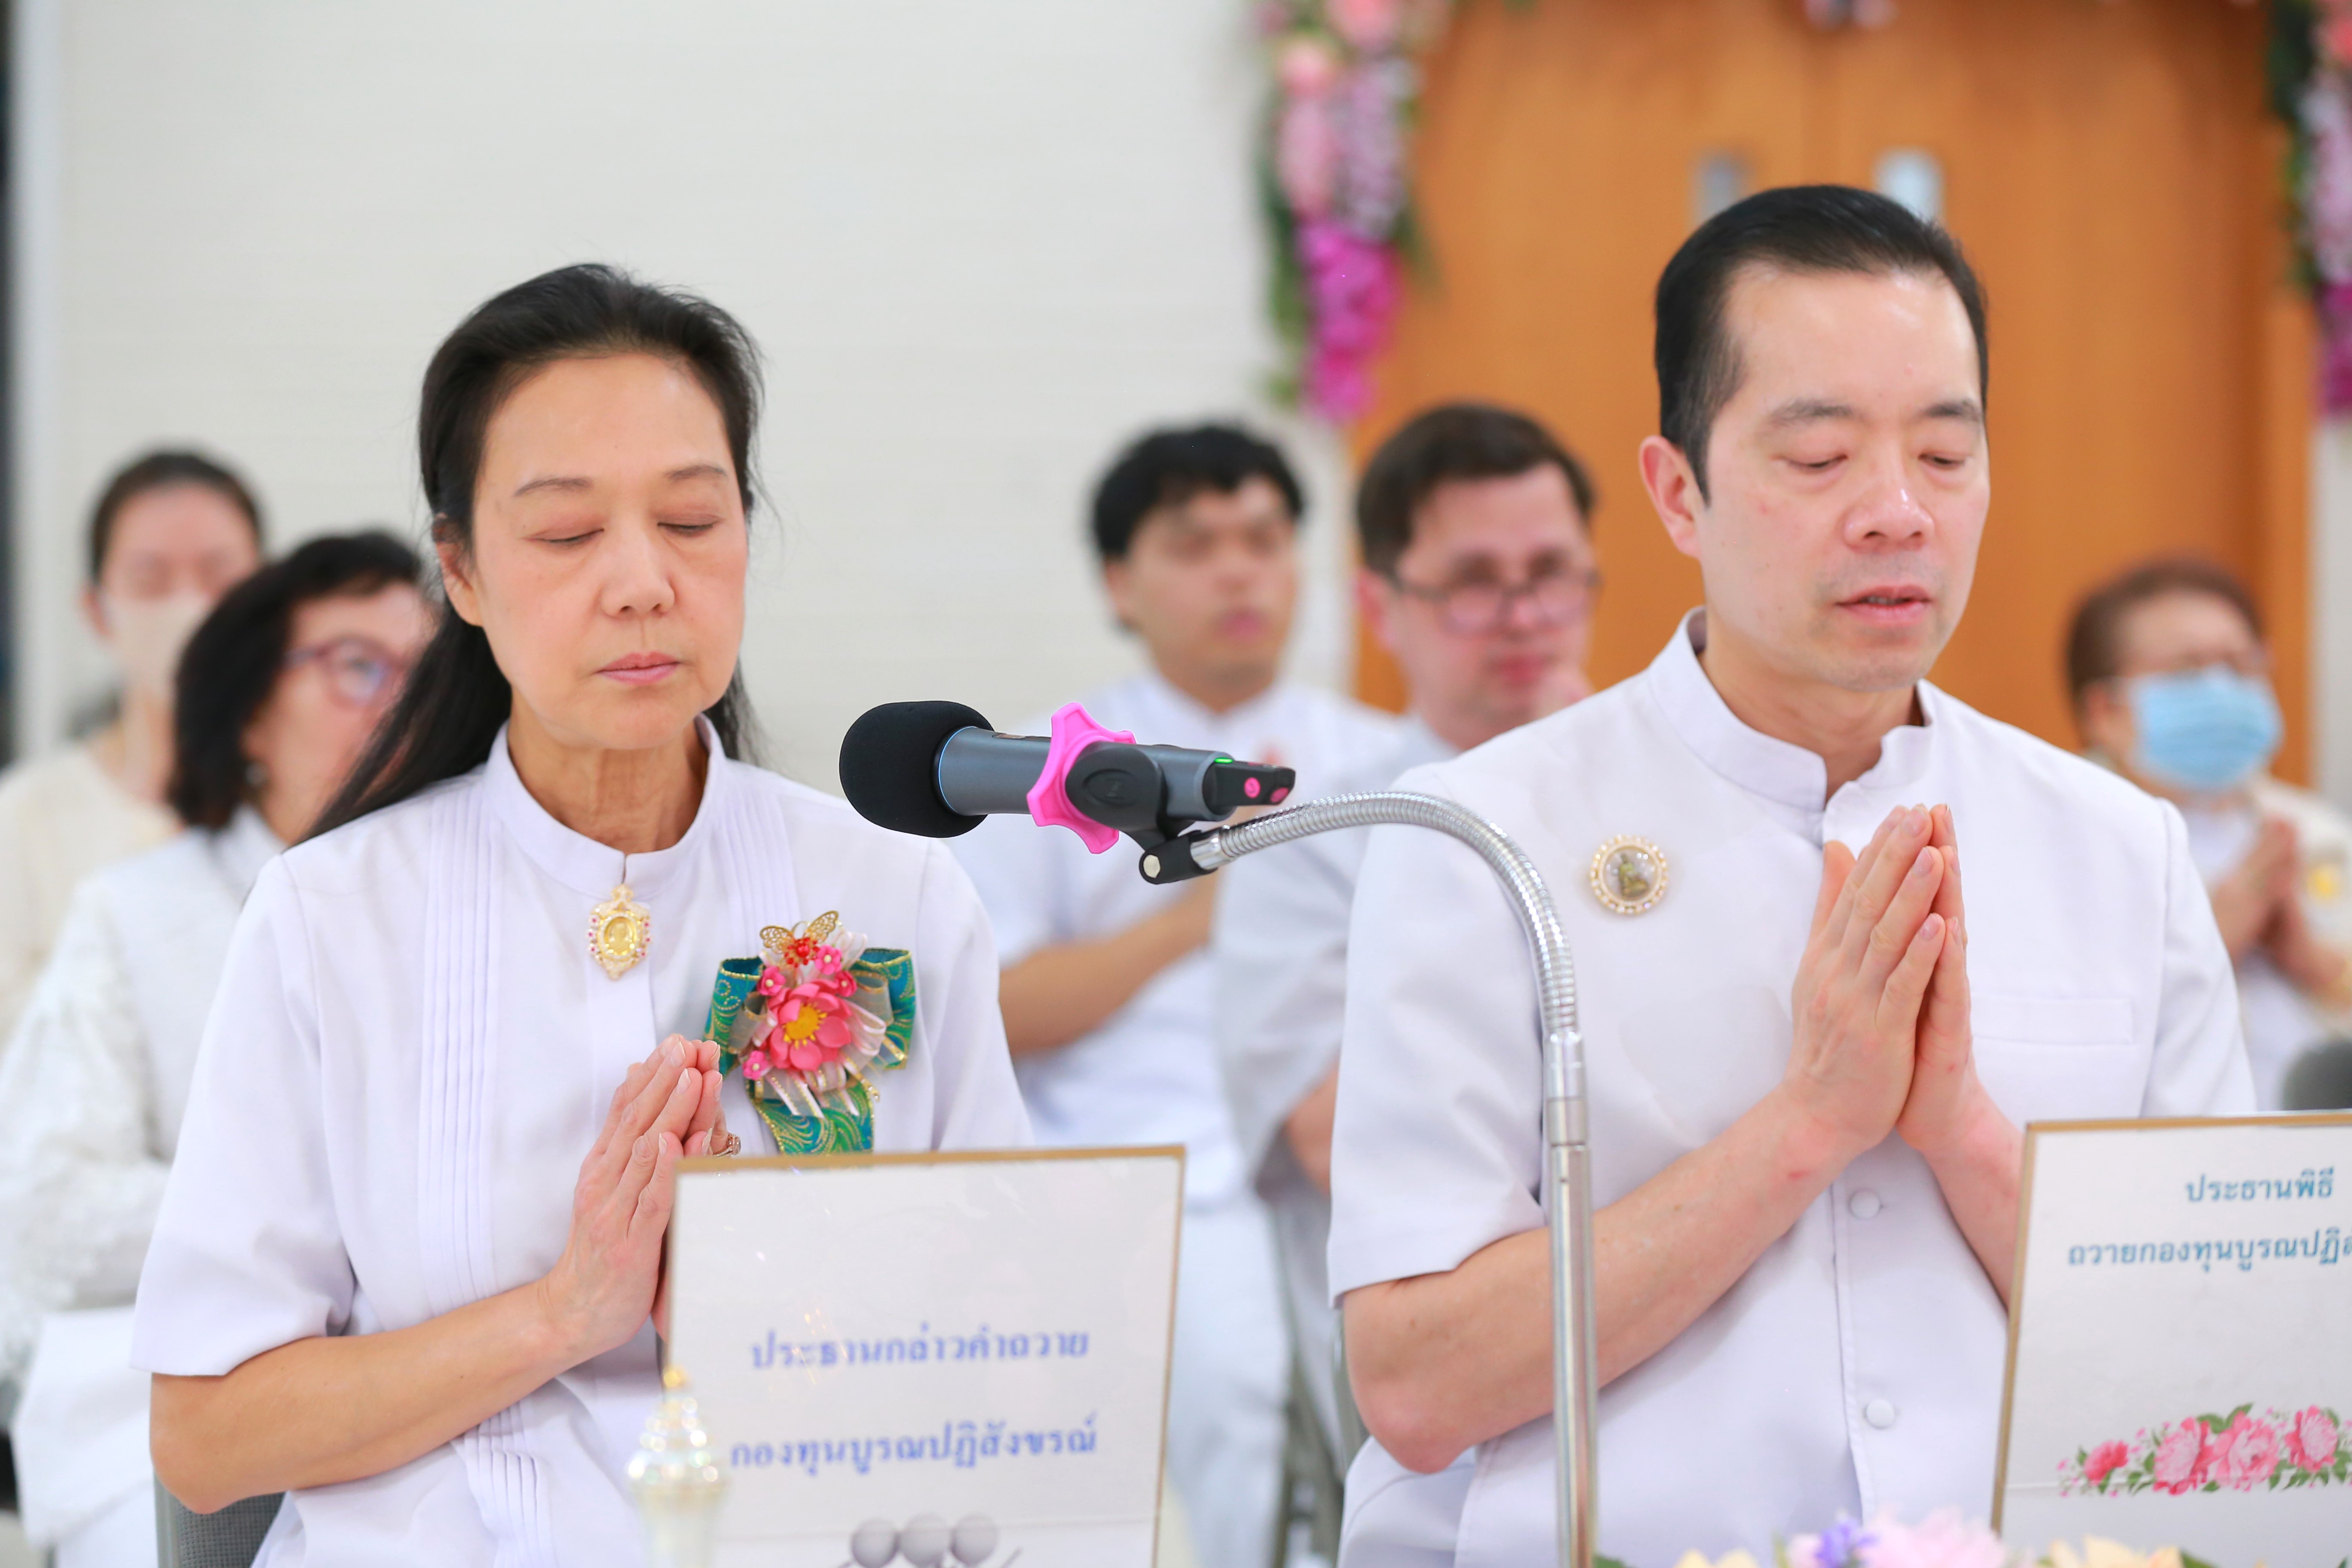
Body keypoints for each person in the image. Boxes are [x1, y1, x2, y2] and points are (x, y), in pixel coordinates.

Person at [1327, 187, 2254, 1565]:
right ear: (1677, 490)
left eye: (1945, 453)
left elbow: (2221, 1365)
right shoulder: (1479, 835)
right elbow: (1416, 1383)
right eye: (1819, 458)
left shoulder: (2117, 845)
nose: (1896, 513)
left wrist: (1964, 1134)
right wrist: (1808, 1126)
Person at [131, 265, 1030, 1564]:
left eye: (691, 519)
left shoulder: (897, 898)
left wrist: (766, 1314)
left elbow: (1005, 1364)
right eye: (564, 534)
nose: (643, 582)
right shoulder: (332, 919)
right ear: (463, 572)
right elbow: (207, 1432)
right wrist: (566, 1311)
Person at [951, 424, 1401, 1568]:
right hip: (1150, 1175)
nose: (1240, 571)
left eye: (1264, 539)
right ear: (1121, 581)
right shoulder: (1044, 771)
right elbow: (991, 1009)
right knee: (1249, 1420)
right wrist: (1213, 910)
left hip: (1354, 1158)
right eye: (1196, 544)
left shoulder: (1381, 759)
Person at [0, 531, 429, 1568]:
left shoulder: (457, 906)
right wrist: (308, 1212)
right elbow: (52, 1210)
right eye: (356, 665)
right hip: (155, 1400)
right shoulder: (133, 913)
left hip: (427, 1388)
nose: (401, 703)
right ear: (247, 708)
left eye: (428, 675)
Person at [1211, 402, 1599, 1474]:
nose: (1524, 616)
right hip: (1444, 1378)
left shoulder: (1655, 809)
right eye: (1474, 581)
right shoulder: (1313, 840)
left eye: (1553, 573)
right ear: (1380, 604)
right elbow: (1327, 1137)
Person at [0, 451, 263, 1054]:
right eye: (151, 580)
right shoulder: (23, 818)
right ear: (97, 609)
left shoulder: (313, 804)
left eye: (219, 575)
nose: (189, 605)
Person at [2068, 557, 2352, 1110]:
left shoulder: (2315, 832)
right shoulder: (2059, 839)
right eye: (2188, 669)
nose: (2223, 688)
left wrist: (2313, 962)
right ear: (2106, 710)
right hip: (2166, 1171)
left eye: (2242, 666)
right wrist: (2210, 942)